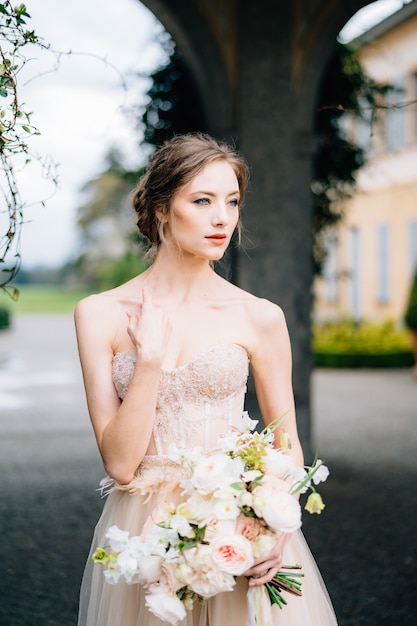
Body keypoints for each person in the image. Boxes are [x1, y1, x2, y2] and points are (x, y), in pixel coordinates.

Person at [75, 133, 337, 626]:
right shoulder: (100, 314)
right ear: (160, 209)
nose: (223, 217)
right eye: (202, 200)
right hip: (143, 532)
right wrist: (148, 360)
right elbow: (120, 464)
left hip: (238, 525)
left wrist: (274, 526)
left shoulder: (259, 316)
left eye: (232, 202)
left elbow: (288, 445)